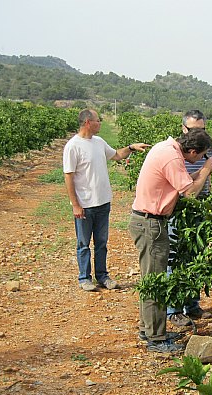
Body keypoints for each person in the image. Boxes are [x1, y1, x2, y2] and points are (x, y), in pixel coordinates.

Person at [129, 128, 212, 353]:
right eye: (201, 157)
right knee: (155, 282)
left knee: (151, 279)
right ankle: (156, 338)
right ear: (193, 151)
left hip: (149, 221)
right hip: (151, 224)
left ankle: (148, 328)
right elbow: (190, 193)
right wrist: (206, 171)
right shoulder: (172, 158)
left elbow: (184, 183)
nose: (199, 162)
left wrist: (200, 172)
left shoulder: (168, 149)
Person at [63, 109, 150, 292]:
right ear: (88, 122)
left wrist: (131, 148)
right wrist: (76, 205)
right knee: (83, 244)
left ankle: (102, 276)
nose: (100, 123)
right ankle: (84, 278)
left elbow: (117, 155)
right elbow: (68, 176)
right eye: (98, 120)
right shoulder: (73, 146)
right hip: (85, 205)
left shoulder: (99, 142)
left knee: (101, 242)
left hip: (103, 203)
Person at [166, 110, 212, 326]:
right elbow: (185, 189)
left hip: (200, 204)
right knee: (175, 257)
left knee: (195, 257)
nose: (198, 133)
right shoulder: (176, 152)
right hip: (180, 205)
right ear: (183, 129)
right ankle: (174, 309)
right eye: (194, 129)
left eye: (202, 129)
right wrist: (204, 171)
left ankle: (192, 305)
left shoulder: (206, 146)